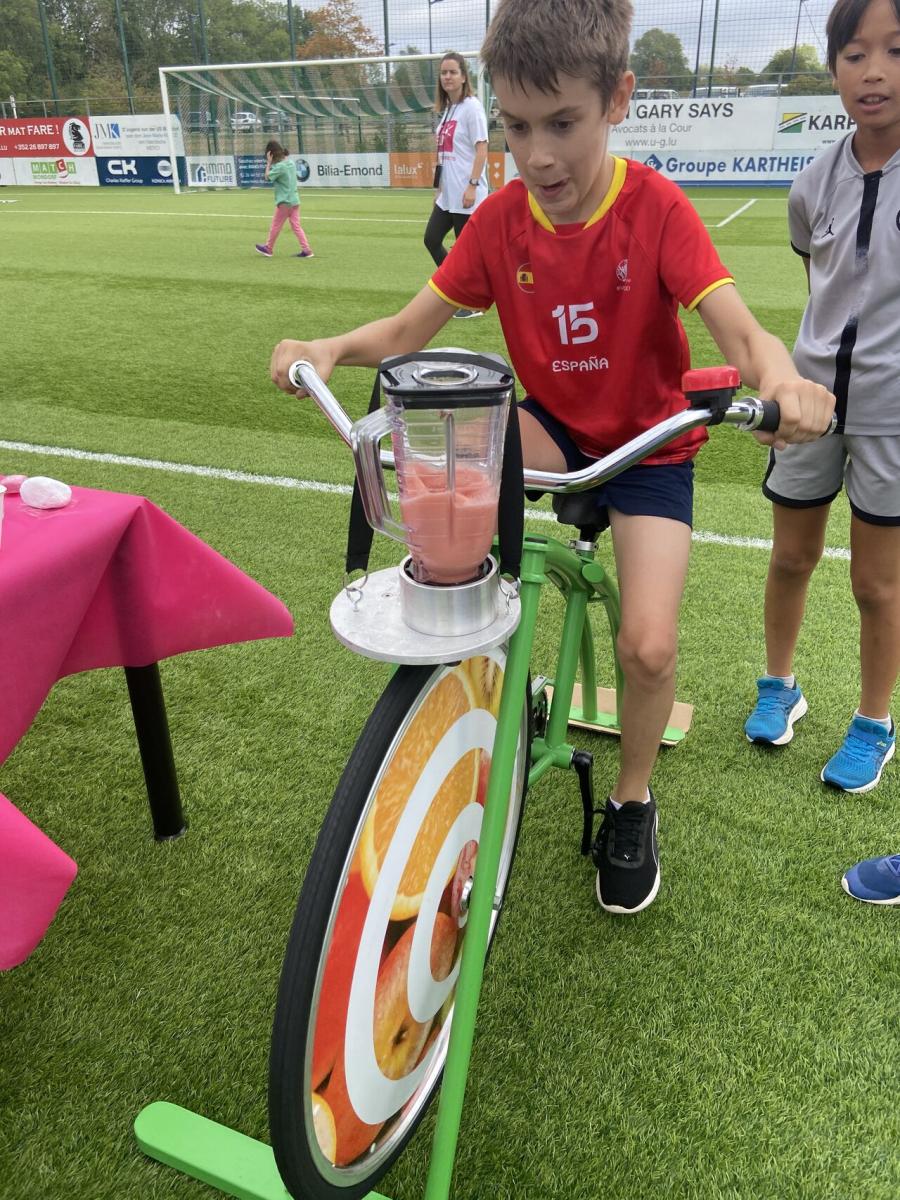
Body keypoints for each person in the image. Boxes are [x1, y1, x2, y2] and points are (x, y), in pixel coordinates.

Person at [271, 0, 834, 915]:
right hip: (555, 429)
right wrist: (328, 348)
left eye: (563, 123)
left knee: (647, 645)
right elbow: (410, 331)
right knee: (443, 475)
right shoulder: (499, 221)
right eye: (518, 126)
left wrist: (782, 380)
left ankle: (633, 801)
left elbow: (740, 331)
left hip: (649, 446)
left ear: (619, 99)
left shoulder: (656, 208)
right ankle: (475, 671)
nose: (537, 156)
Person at [744, 0, 900, 796]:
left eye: (896, 51)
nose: (874, 72)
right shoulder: (812, 182)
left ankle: (874, 722)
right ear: (834, 67)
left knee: (877, 583)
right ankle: (781, 686)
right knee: (790, 557)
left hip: (891, 416)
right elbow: (819, 282)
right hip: (808, 406)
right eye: (855, 54)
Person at [424, 52, 489, 318]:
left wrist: (472, 185)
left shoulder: (472, 107)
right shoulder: (449, 109)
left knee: (467, 254)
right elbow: (444, 155)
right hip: (448, 195)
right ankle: (455, 291)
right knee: (431, 240)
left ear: (464, 76)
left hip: (466, 193)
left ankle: (472, 304)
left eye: (453, 72)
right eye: (443, 73)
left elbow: (482, 149)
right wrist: (439, 190)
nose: (447, 77)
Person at [255, 140, 314, 259]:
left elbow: (267, 177)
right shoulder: (290, 163)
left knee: (275, 226)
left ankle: (268, 248)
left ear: (271, 154)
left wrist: (268, 163)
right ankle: (307, 250)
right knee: (296, 226)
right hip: (295, 200)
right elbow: (283, 163)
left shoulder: (279, 167)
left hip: (285, 202)